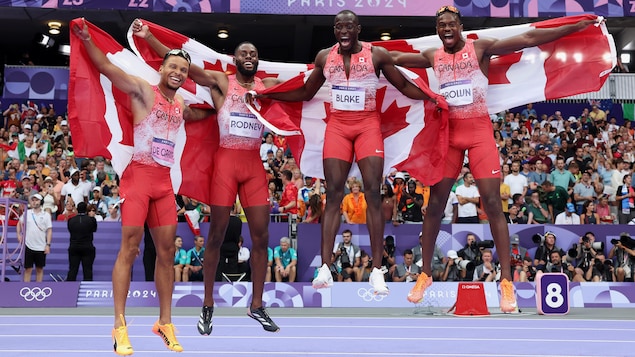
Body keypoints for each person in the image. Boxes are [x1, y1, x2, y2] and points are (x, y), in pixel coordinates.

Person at [392, 5, 599, 312]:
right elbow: (391, 59)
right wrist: (357, 51)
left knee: (492, 204)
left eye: (451, 24)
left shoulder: (481, 47)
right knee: (434, 205)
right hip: (449, 136)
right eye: (441, 25)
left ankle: (506, 283)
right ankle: (424, 275)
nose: (446, 29)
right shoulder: (431, 56)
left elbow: (529, 37)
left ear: (460, 26)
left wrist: (575, 26)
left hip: (478, 133)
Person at [254, 10, 436, 295]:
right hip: (338, 127)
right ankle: (325, 267)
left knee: (373, 193)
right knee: (334, 193)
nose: (344, 31)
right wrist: (269, 94)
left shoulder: (377, 55)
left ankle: (377, 271)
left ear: (358, 29)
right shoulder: (325, 57)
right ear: (335, 30)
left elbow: (402, 85)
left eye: (349, 26)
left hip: (367, 126)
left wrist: (433, 96)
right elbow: (305, 92)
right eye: (339, 26)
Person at [132, 20, 280, 336]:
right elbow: (184, 68)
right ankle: (208, 304)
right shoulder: (222, 82)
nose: (249, 56)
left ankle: (256, 305)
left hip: (254, 166)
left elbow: (303, 90)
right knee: (216, 235)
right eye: (244, 53)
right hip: (226, 164)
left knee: (262, 237)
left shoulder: (267, 87)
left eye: (254, 53)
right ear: (235, 59)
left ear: (258, 59)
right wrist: (150, 38)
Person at [74, 20, 208, 355]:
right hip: (137, 179)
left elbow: (199, 115)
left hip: (163, 184)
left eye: (182, 69)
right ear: (161, 68)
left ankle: (165, 322)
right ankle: (119, 325)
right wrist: (89, 39)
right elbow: (105, 66)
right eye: (172, 66)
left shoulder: (179, 106)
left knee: (166, 253)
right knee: (130, 249)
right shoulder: (142, 90)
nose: (177, 72)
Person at [17, 194, 52, 282]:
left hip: (41, 246)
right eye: (33, 200)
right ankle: (25, 289)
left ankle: (38, 289)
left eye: (36, 200)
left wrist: (48, 244)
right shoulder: (27, 213)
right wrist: (18, 235)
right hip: (28, 245)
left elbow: (49, 230)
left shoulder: (46, 215)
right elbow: (19, 223)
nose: (34, 202)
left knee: (39, 269)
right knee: (28, 269)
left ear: (40, 202)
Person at [66, 202, 98, 281]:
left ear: (76, 209)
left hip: (74, 247)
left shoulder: (71, 220)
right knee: (87, 270)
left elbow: (70, 230)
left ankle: (69, 289)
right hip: (87, 247)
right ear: (86, 210)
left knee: (73, 269)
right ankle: (88, 289)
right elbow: (94, 229)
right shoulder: (91, 220)